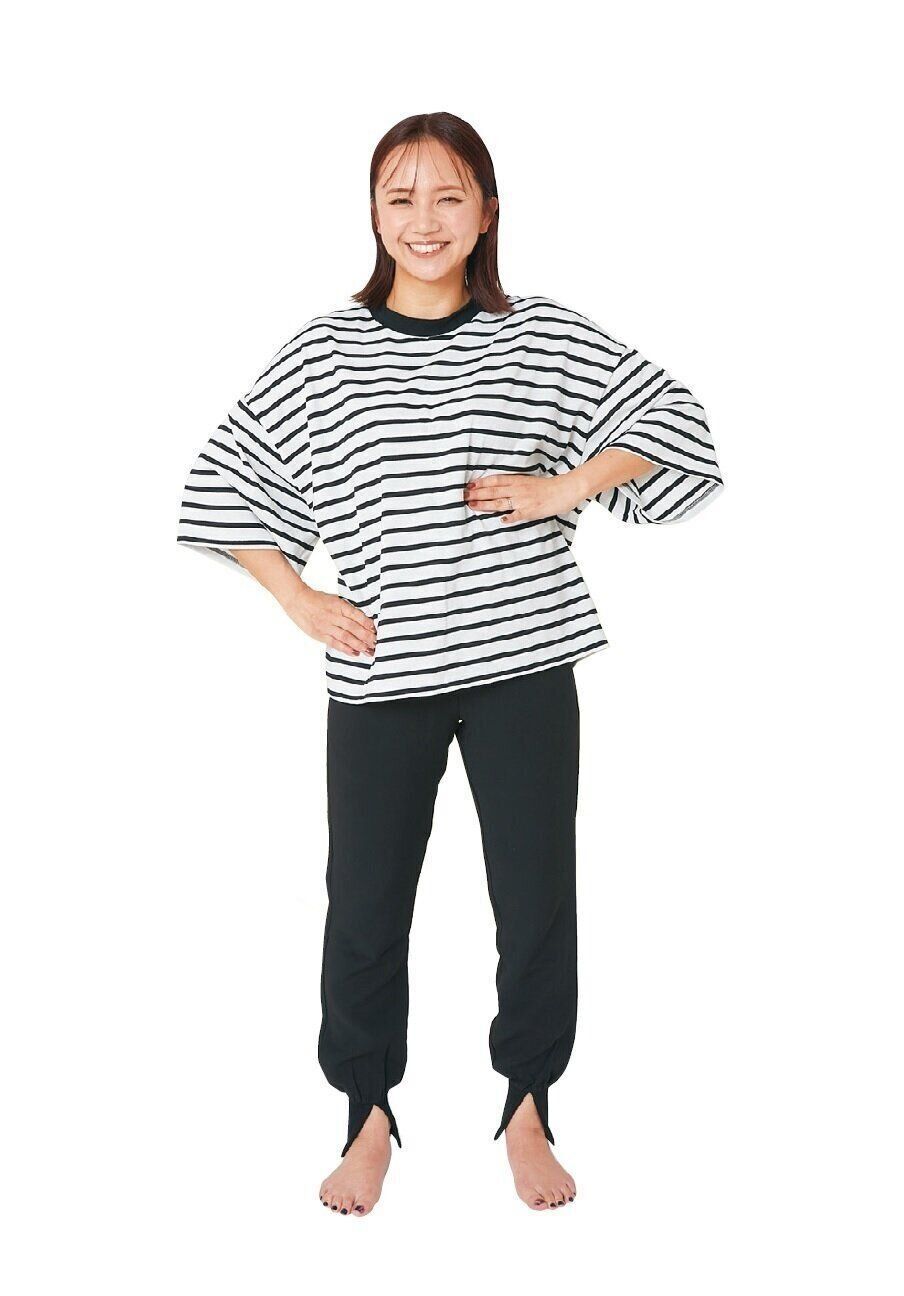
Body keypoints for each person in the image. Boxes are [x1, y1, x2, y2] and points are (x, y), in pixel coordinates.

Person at [175, 111, 724, 1216]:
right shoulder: (325, 352)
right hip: (381, 676)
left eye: (447, 197)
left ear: (486, 212)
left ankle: (528, 1106)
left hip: (525, 661)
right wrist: (298, 598)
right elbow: (222, 479)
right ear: (373, 215)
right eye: (400, 198)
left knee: (535, 895)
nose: (423, 221)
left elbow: (676, 425)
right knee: (364, 902)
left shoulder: (541, 334)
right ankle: (366, 1113)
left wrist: (564, 486)